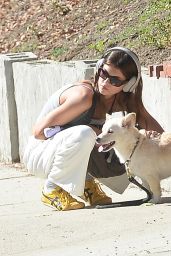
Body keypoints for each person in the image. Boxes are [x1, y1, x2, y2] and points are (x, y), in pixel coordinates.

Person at [23, 46, 164, 211]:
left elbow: (155, 130)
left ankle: (85, 185)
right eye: (104, 74)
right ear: (98, 67)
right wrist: (91, 129)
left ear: (129, 84)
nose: (105, 82)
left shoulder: (121, 100)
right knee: (86, 134)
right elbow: (39, 132)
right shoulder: (83, 96)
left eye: (115, 80)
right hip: (40, 153)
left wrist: (161, 145)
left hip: (62, 151)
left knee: (122, 140)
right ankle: (52, 189)